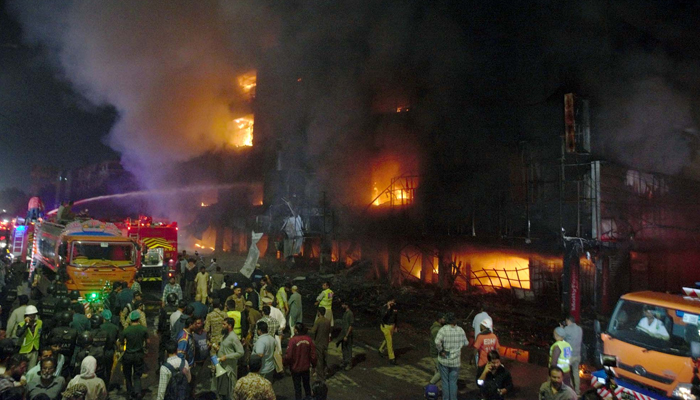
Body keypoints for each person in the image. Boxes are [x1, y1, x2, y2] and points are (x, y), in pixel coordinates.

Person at [435, 312, 468, 400]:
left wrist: (441, 350)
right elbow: (466, 343)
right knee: (453, 382)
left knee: (445, 382)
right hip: (456, 361)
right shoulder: (460, 330)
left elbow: (437, 342)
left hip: (444, 360)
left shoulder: (443, 330)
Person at [118, 311, 149, 399]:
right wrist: (146, 350)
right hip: (139, 354)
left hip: (128, 355)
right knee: (137, 375)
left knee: (127, 375)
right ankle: (138, 392)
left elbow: (120, 343)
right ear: (138, 319)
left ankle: (130, 392)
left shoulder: (126, 330)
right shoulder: (143, 329)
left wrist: (121, 351)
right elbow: (148, 341)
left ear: (130, 319)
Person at [284, 323, 317, 400]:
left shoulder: (293, 340)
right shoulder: (308, 339)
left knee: (297, 387)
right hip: (306, 367)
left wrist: (285, 363)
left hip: (295, 368)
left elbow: (288, 356)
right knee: (307, 386)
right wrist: (314, 365)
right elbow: (313, 355)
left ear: (297, 330)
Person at [214, 318, 244, 400]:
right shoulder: (225, 335)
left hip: (229, 368)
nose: (222, 326)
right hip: (222, 367)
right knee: (223, 391)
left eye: (224, 324)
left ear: (230, 326)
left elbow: (241, 352)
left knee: (231, 391)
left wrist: (226, 357)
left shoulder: (233, 337)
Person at [562, 315, 583, 395]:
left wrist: (562, 328)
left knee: (566, 373)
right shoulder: (580, 329)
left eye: (566, 321)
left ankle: (569, 390)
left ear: (568, 320)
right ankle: (577, 392)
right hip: (578, 354)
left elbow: (561, 338)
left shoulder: (566, 329)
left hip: (569, 355)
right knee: (575, 372)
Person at [309, 308, 331, 381]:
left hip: (319, 343)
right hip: (325, 342)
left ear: (319, 312)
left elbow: (313, 331)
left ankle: (320, 377)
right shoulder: (328, 321)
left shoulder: (318, 321)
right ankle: (325, 371)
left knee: (319, 360)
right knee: (324, 358)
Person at [158, 293, 180, 364]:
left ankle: (161, 363)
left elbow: (161, 321)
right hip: (175, 332)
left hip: (165, 332)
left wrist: (159, 330)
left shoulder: (164, 309)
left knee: (162, 348)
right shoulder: (177, 309)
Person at [428, 313, 446, 388]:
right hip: (436, 353)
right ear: (439, 319)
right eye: (443, 318)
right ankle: (430, 385)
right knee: (442, 371)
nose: (445, 320)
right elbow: (438, 343)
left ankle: (434, 388)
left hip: (436, 353)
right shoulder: (436, 330)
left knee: (437, 370)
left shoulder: (437, 327)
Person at [378, 298, 398, 365]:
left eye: (393, 302)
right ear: (388, 301)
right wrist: (388, 308)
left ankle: (380, 349)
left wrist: (396, 326)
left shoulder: (395, 307)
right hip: (385, 326)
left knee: (387, 339)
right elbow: (383, 316)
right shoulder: (384, 307)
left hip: (391, 326)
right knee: (390, 342)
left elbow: (396, 317)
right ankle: (392, 358)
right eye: (391, 301)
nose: (393, 303)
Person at [336, 300, 354, 370]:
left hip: (348, 334)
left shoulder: (350, 314)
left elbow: (351, 325)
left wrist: (347, 335)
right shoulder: (345, 313)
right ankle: (345, 361)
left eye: (343, 304)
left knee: (348, 348)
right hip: (343, 333)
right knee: (343, 348)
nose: (342, 306)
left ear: (346, 305)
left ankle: (349, 363)